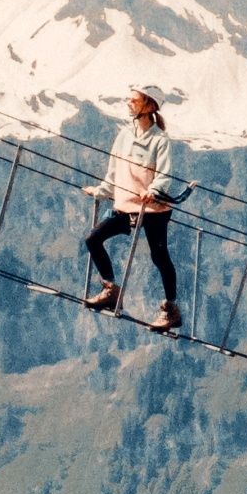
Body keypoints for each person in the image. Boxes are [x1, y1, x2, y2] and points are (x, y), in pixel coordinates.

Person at [84, 85, 181, 333]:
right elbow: (114, 171)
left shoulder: (160, 140)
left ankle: (171, 309)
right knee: (93, 239)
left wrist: (154, 190)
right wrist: (102, 190)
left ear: (149, 106)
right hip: (126, 206)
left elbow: (164, 175)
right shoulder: (124, 135)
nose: (129, 103)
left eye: (134, 100)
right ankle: (111, 289)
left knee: (159, 257)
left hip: (153, 210)